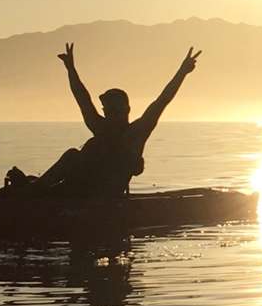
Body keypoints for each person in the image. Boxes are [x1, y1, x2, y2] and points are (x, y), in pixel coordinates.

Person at [12, 43, 200, 197]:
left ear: (126, 110)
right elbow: (83, 99)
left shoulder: (136, 133)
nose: (109, 114)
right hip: (77, 190)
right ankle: (31, 190)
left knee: (71, 156)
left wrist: (182, 72)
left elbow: (162, 101)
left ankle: (31, 192)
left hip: (103, 196)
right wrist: (70, 69)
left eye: (113, 110)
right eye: (107, 110)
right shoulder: (101, 128)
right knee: (71, 156)